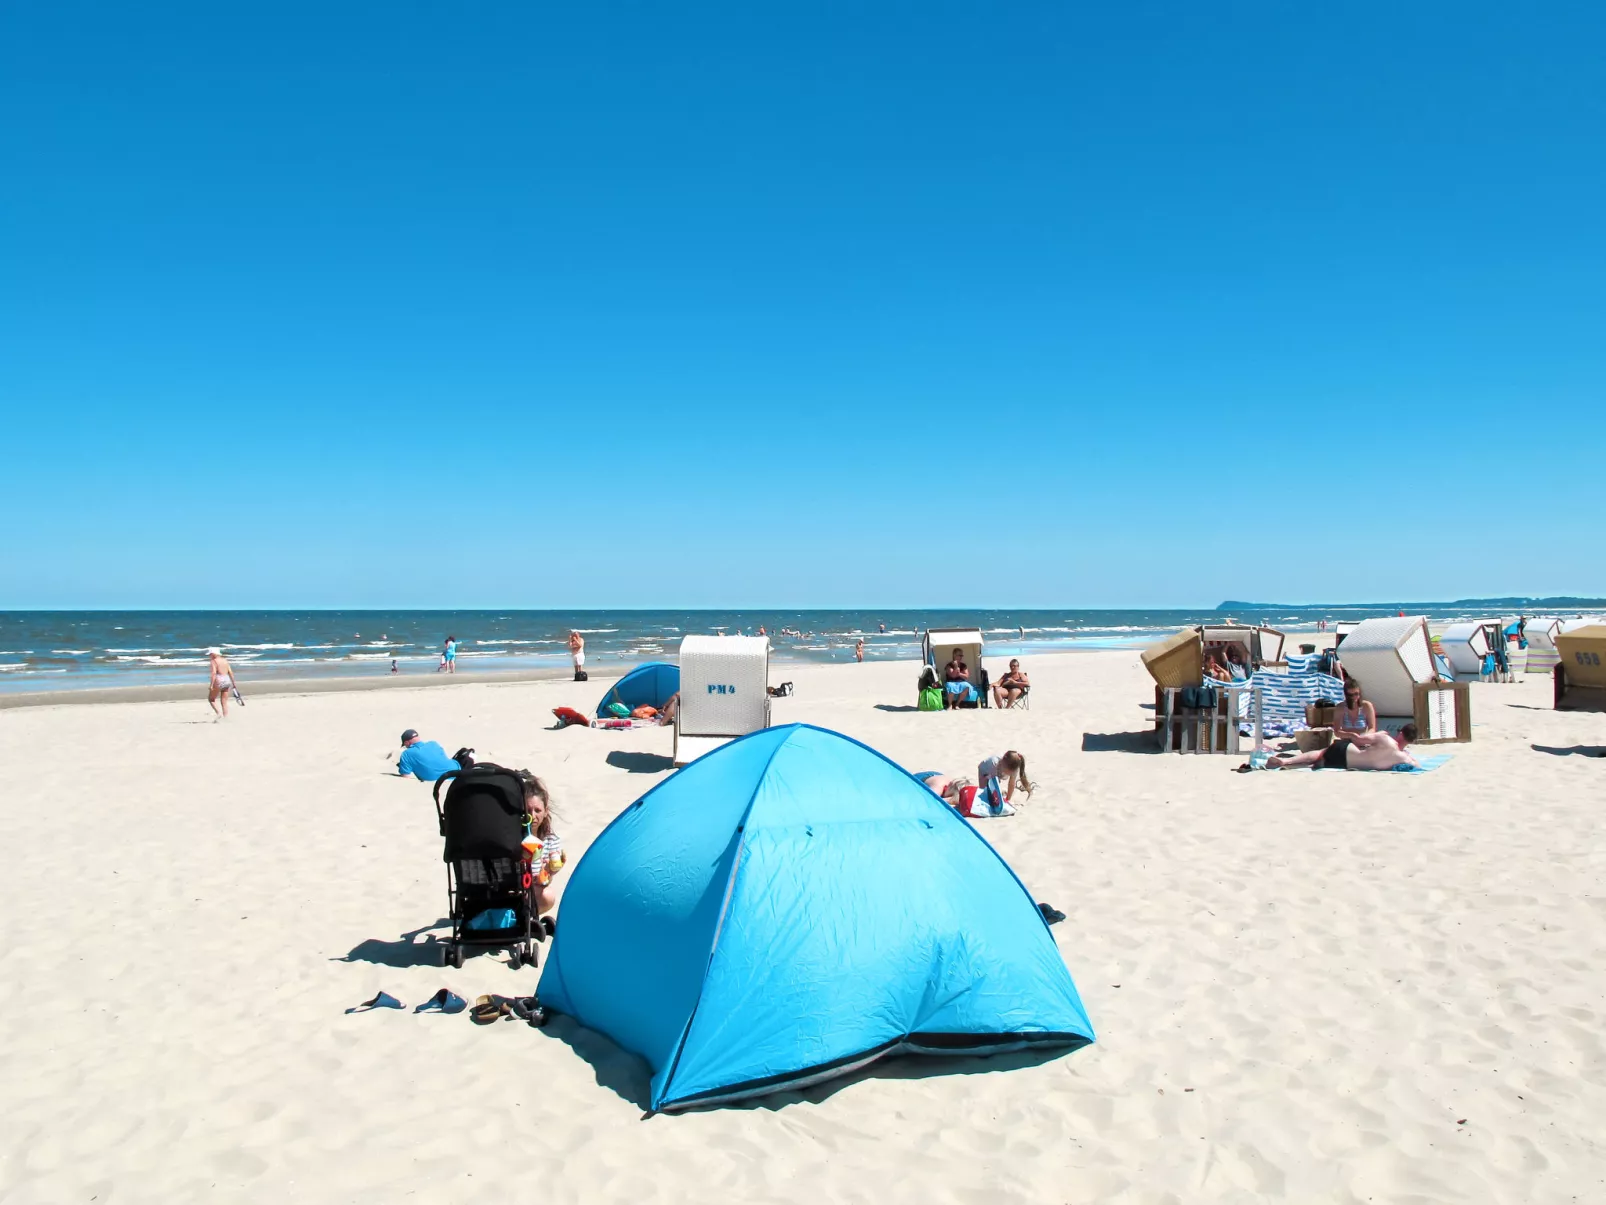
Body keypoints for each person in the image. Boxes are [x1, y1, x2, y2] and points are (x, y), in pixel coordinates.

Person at [1267, 725, 1420, 771]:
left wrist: (1349, 734)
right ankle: (1305, 763)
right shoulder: (1404, 758)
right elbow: (1417, 766)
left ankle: (1286, 762)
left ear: (1400, 733)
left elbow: (1358, 740)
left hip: (1348, 753)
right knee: (1321, 760)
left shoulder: (1384, 738)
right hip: (1345, 765)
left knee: (1321, 753)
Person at [518, 772, 564, 917]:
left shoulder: (551, 840)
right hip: (515, 889)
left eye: (538, 810)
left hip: (534, 890)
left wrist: (551, 870)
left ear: (545, 812)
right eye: (528, 810)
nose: (533, 816)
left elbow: (546, 879)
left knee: (548, 896)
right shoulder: (515, 838)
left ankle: (527, 918)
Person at [393, 729, 460, 781]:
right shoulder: (433, 743)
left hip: (435, 779)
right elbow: (442, 758)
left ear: (406, 743)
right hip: (455, 772)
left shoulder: (407, 754)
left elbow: (405, 776)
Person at [206, 647, 237, 719]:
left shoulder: (214, 661)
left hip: (219, 679)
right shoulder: (225, 660)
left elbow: (214, 673)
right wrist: (233, 683)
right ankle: (225, 717)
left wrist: (211, 685)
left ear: (214, 654)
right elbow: (230, 672)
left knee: (211, 699)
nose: (209, 656)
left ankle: (219, 713)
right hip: (227, 679)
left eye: (210, 654)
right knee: (224, 701)